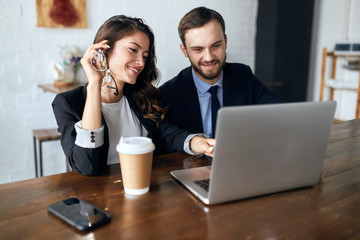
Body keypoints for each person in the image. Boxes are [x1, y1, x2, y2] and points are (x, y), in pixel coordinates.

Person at [52, 15, 214, 176]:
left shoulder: (143, 96)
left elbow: (166, 134)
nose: (141, 62)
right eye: (133, 50)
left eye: (145, 55)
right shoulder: (68, 103)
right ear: (103, 49)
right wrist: (94, 82)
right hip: (99, 196)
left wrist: (196, 142)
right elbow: (87, 165)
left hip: (145, 187)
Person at [159, 7, 279, 138]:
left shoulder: (243, 75)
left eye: (216, 46)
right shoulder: (168, 94)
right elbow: (165, 137)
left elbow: (274, 111)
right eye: (198, 49)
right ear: (185, 51)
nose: (209, 57)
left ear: (225, 42)